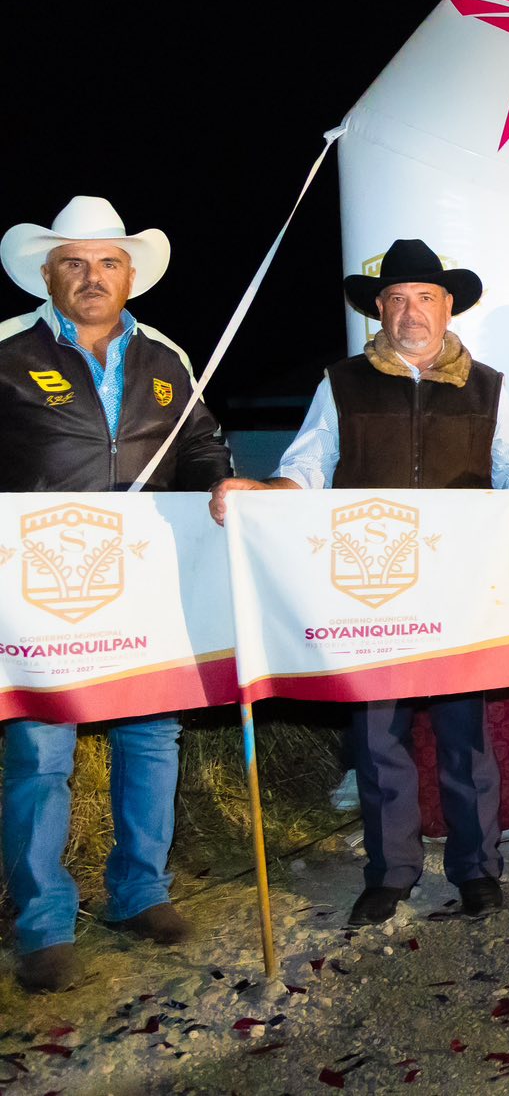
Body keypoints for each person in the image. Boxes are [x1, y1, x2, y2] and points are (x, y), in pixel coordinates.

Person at [210, 240, 509, 925]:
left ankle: (477, 870)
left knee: (468, 740)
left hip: (459, 590)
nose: (411, 311)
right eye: (397, 298)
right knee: (377, 738)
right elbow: (307, 466)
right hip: (369, 591)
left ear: (448, 306)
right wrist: (266, 491)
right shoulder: (341, 382)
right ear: (379, 309)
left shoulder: (488, 385)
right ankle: (391, 871)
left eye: (424, 297)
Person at [0, 198, 232, 992]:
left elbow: (200, 443)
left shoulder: (165, 357)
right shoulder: (3, 351)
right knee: (40, 753)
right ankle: (42, 922)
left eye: (107, 262)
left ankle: (139, 891)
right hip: (43, 590)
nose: (91, 277)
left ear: (130, 274)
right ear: (49, 273)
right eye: (74, 262)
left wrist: (221, 481)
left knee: (152, 737)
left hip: (147, 584)